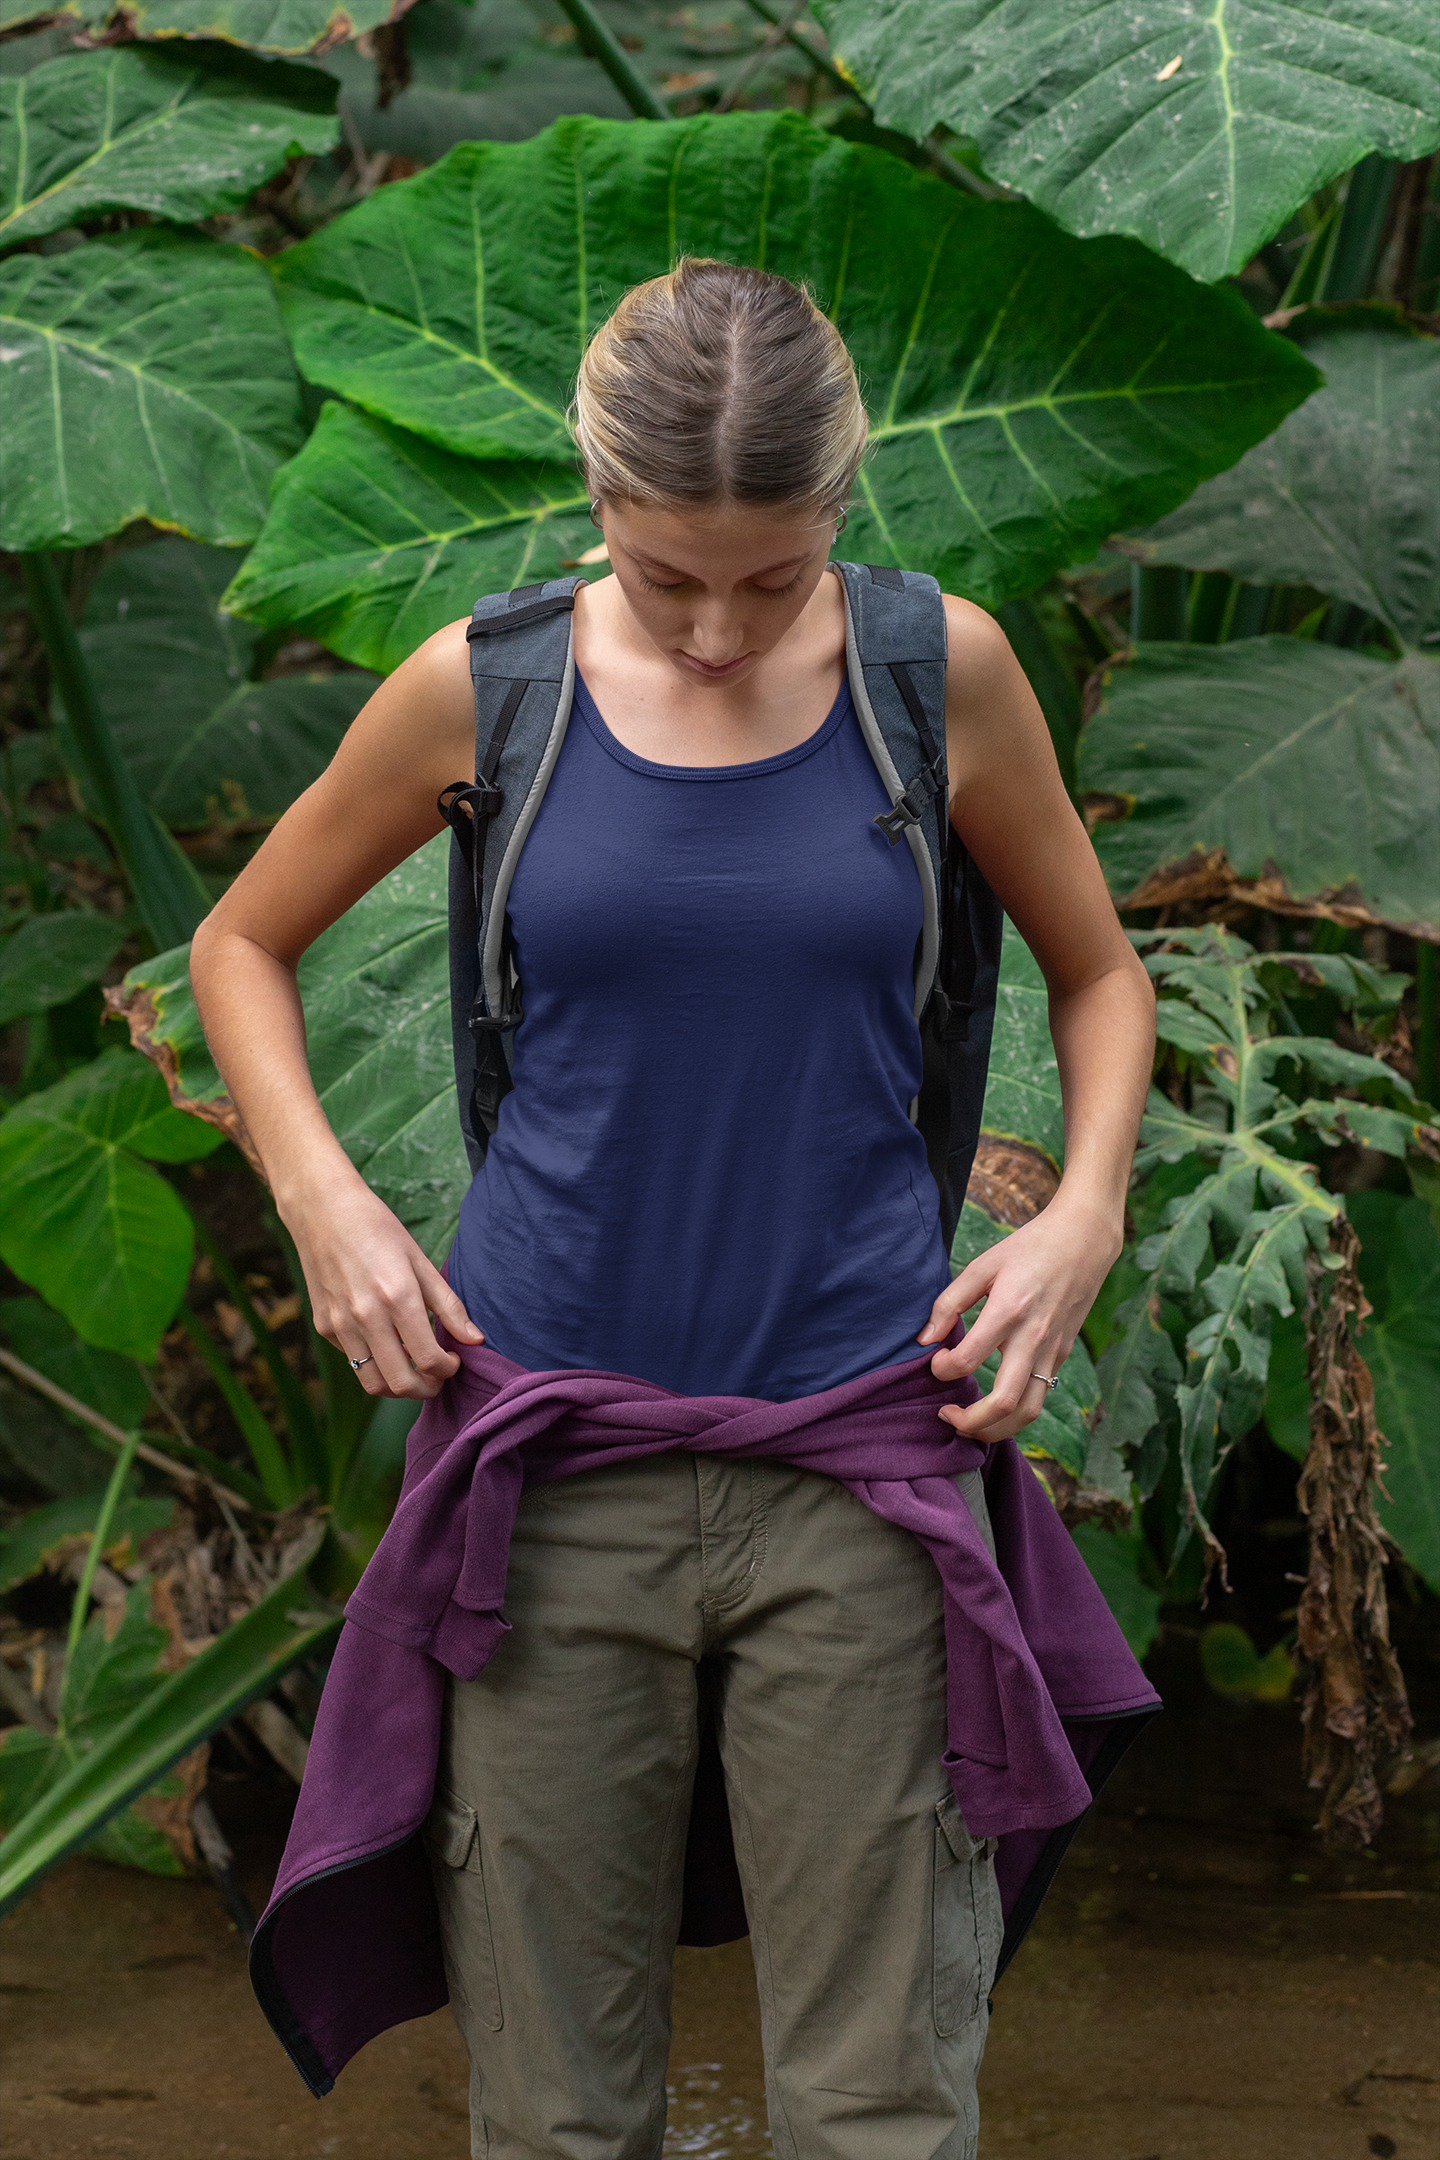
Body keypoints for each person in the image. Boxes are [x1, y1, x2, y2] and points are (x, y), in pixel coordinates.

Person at [191, 258, 1157, 2160]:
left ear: (840, 513)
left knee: (877, 2104)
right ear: (595, 502)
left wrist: (1084, 1215)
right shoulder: (489, 688)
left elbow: (1100, 975)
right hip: (550, 1469)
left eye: (773, 578)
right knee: (556, 2113)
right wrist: (323, 1201)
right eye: (664, 578)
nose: (718, 629)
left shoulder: (931, 671)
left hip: (869, 1454)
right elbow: (242, 942)